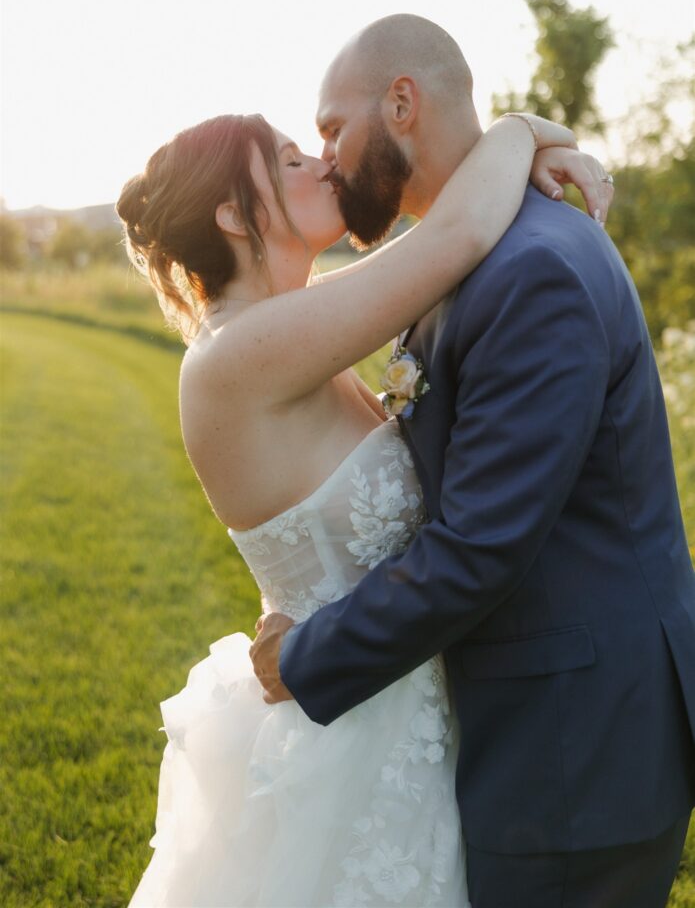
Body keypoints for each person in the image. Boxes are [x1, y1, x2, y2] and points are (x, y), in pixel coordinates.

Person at [118, 86, 610, 905]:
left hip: (405, 700)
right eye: (288, 159)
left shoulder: (298, 326)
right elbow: (452, 236)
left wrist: (527, 165)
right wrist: (524, 131)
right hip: (347, 733)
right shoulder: (234, 354)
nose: (324, 162)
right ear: (236, 219)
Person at [251, 15, 695, 908]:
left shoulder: (532, 270)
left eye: (333, 128)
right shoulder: (473, 251)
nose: (328, 159)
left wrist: (307, 656)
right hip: (541, 729)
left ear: (402, 103)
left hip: (576, 751)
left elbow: (482, 544)